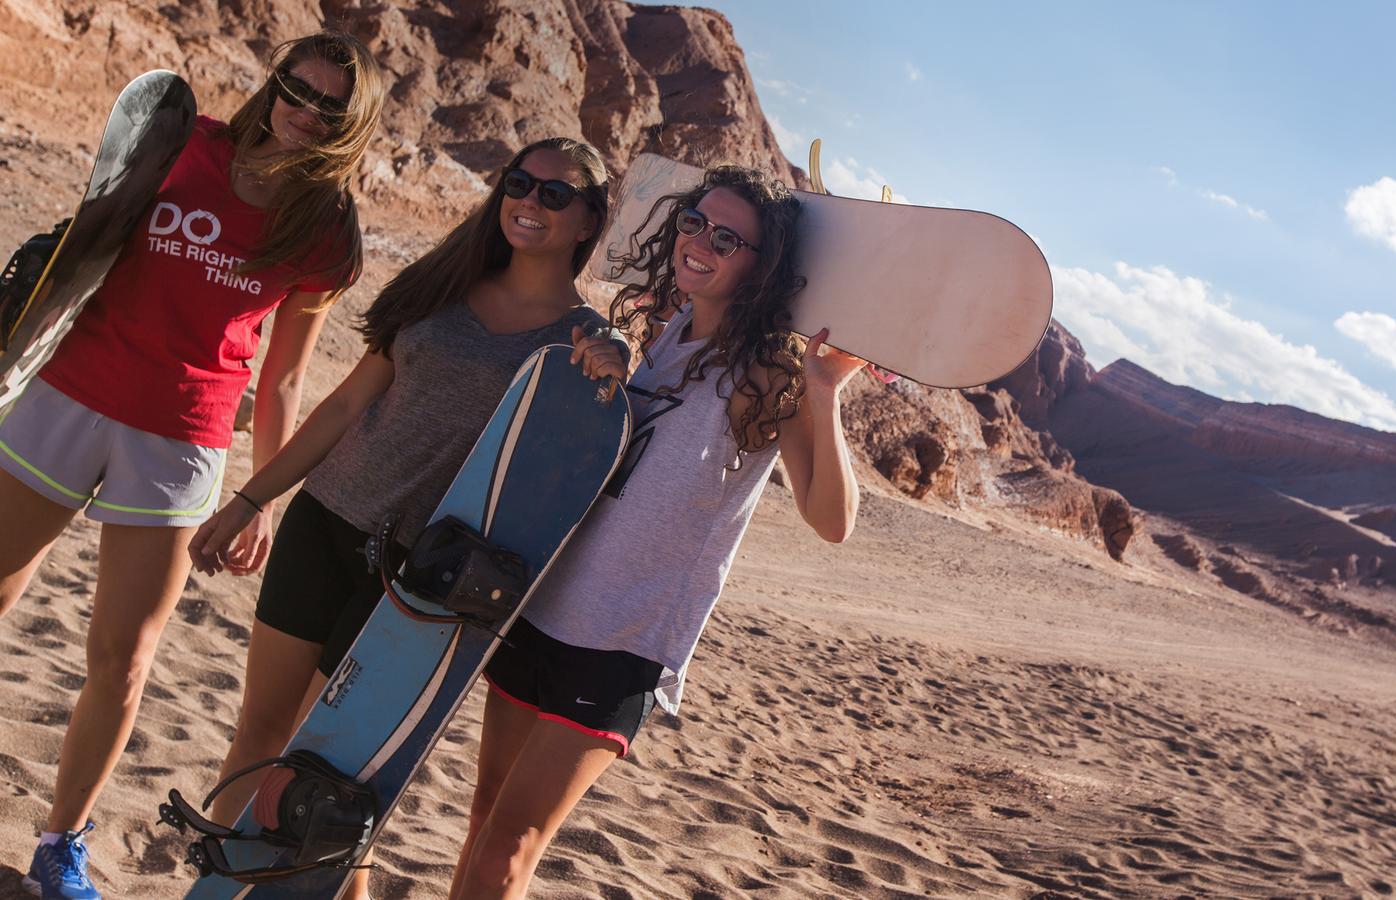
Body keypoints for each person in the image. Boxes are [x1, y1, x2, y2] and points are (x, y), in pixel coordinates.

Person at [0, 32, 382, 900]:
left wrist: (262, 499)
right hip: (69, 397)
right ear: (273, 81)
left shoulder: (325, 230)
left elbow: (282, 376)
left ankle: (61, 844)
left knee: (124, 660)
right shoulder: (183, 144)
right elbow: (81, 253)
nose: (305, 111)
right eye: (297, 88)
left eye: (330, 107)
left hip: (179, 442)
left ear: (350, 126)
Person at [186, 136, 620, 900]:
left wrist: (616, 360)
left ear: (589, 219)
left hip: (414, 575)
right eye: (520, 183)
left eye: (556, 194)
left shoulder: (577, 347)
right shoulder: (441, 287)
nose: (530, 202)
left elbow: (582, 461)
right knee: (260, 736)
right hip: (323, 521)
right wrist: (255, 497)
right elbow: (350, 401)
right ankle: (217, 887)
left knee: (328, 772)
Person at [446, 165, 867, 899]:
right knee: (485, 822)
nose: (700, 242)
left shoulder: (771, 370)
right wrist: (605, 380)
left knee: (506, 851)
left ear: (761, 267)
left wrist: (824, 393)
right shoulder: (667, 333)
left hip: (623, 642)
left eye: (728, 238)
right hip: (542, 605)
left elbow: (833, 521)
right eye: (695, 223)